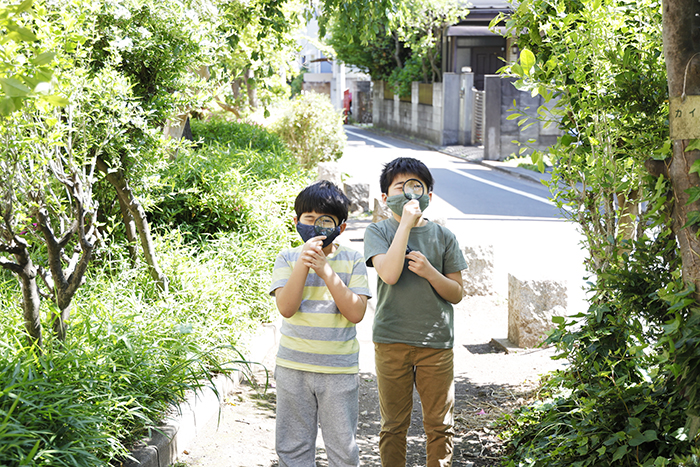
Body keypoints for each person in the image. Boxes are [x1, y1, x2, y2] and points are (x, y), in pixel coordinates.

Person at [363, 157, 468, 467]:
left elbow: (457, 293)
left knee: (439, 425)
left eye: (416, 187)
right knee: (393, 426)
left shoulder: (444, 237)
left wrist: (431, 272)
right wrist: (405, 225)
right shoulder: (378, 232)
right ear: (386, 198)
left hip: (435, 344)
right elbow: (390, 274)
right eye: (400, 187)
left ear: (429, 196)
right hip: (391, 340)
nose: (409, 194)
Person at [269, 180, 371, 467]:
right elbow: (286, 308)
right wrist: (303, 264)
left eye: (324, 221)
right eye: (308, 219)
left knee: (342, 447)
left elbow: (356, 313)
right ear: (296, 221)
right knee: (293, 446)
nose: (315, 227)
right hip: (293, 366)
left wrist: (326, 271)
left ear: (340, 228)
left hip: (338, 368)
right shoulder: (287, 258)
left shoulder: (352, 259)